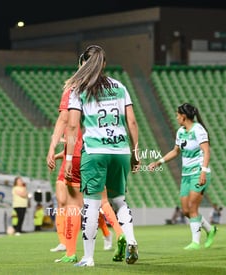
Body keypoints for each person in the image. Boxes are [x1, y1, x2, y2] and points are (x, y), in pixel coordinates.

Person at [64, 45, 140, 267]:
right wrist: (135, 152)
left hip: (95, 152)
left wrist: (69, 158)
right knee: (119, 200)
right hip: (121, 151)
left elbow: (72, 125)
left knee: (92, 204)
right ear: (104, 63)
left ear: (84, 63)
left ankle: (88, 257)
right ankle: (132, 239)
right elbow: (132, 122)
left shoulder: (79, 89)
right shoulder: (119, 86)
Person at [46, 53, 125, 263]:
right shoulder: (106, 87)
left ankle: (71, 253)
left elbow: (66, 121)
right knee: (103, 201)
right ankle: (121, 233)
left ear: (81, 66)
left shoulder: (75, 88)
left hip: (80, 151)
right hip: (105, 149)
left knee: (72, 205)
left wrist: (54, 147)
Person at [148, 103, 217, 250]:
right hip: (186, 174)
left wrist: (203, 171)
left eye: (177, 115)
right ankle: (210, 230)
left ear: (183, 116)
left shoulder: (198, 130)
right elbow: (175, 151)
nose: (176, 117)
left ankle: (195, 242)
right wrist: (159, 162)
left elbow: (206, 151)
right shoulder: (180, 132)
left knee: (193, 207)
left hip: (198, 172)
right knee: (186, 210)